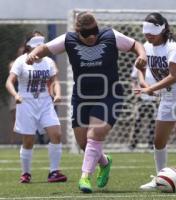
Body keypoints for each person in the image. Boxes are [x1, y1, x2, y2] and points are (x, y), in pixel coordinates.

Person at [26, 11, 147, 193]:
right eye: (86, 33)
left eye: (94, 31)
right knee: (83, 143)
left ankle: (84, 177)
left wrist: (142, 56)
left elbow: (136, 45)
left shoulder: (110, 36)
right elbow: (44, 49)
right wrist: (34, 54)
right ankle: (105, 163)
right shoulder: (68, 40)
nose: (92, 36)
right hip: (82, 96)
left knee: (95, 133)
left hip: (109, 93)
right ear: (77, 31)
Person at [138, 13, 176, 190]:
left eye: (152, 32)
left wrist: (151, 89)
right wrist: (143, 80)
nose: (148, 35)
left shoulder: (173, 48)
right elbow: (144, 79)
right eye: (146, 32)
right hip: (168, 97)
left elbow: (173, 76)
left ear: (162, 30)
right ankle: (159, 178)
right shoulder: (146, 47)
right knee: (158, 141)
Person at [5, 31, 67, 183]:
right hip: (26, 103)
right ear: (29, 46)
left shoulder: (49, 62)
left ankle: (54, 172)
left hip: (45, 102)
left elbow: (55, 81)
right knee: (28, 141)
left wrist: (57, 94)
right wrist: (16, 95)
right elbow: (9, 82)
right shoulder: (21, 61)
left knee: (56, 134)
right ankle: (26, 173)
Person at [129, 66, 159, 150]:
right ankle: (133, 144)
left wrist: (158, 93)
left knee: (152, 122)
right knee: (137, 121)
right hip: (141, 98)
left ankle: (151, 144)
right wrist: (135, 90)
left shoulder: (156, 62)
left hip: (154, 98)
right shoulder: (140, 62)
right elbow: (133, 78)